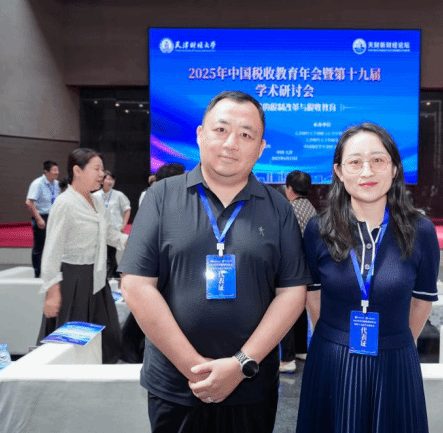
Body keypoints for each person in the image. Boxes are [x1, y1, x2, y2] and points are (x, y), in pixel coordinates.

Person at [119, 90, 312, 433]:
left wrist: (239, 365)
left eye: (246, 135)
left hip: (251, 386)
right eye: (221, 129)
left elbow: (292, 293)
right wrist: (194, 367)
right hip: (176, 385)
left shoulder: (279, 208)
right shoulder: (162, 197)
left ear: (261, 148)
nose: (231, 143)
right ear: (200, 134)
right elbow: (136, 286)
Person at [296, 123, 440, 433]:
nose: (367, 171)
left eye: (377, 160)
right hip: (331, 360)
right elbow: (313, 296)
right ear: (339, 171)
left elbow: (422, 302)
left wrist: (395, 340)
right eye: (355, 161)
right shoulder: (319, 229)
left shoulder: (421, 231)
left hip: (395, 363)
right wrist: (337, 338)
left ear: (394, 168)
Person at [37, 148, 127, 364]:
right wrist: (52, 292)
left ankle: (99, 374)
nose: (102, 174)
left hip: (97, 279)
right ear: (77, 170)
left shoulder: (97, 201)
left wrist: (138, 242)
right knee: (72, 341)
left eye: (102, 169)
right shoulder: (65, 203)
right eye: (97, 169)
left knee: (108, 336)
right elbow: (52, 250)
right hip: (73, 280)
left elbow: (109, 234)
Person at [120, 161, 184, 364]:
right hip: (157, 269)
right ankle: (135, 350)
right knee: (151, 313)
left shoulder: (177, 201)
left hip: (167, 269)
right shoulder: (156, 203)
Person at [279, 170, 317, 373]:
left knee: (284, 309)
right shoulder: (310, 207)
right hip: (309, 268)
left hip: (292, 268)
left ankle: (287, 359)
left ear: (289, 189)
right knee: (299, 308)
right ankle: (301, 349)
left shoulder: (289, 209)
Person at [25, 160, 61, 277]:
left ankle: (51, 271)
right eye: (54, 170)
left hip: (54, 217)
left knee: (54, 246)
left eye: (57, 170)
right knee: (40, 246)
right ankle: (38, 273)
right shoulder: (38, 183)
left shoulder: (57, 184)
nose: (57, 172)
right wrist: (39, 219)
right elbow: (29, 202)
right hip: (42, 217)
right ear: (46, 171)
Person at [93, 171, 131, 279]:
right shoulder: (95, 196)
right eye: (108, 179)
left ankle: (109, 276)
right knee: (107, 254)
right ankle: (114, 274)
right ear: (102, 181)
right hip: (100, 230)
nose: (110, 182)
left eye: (112, 179)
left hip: (115, 229)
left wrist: (124, 225)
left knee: (110, 253)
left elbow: (127, 209)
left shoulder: (119, 195)